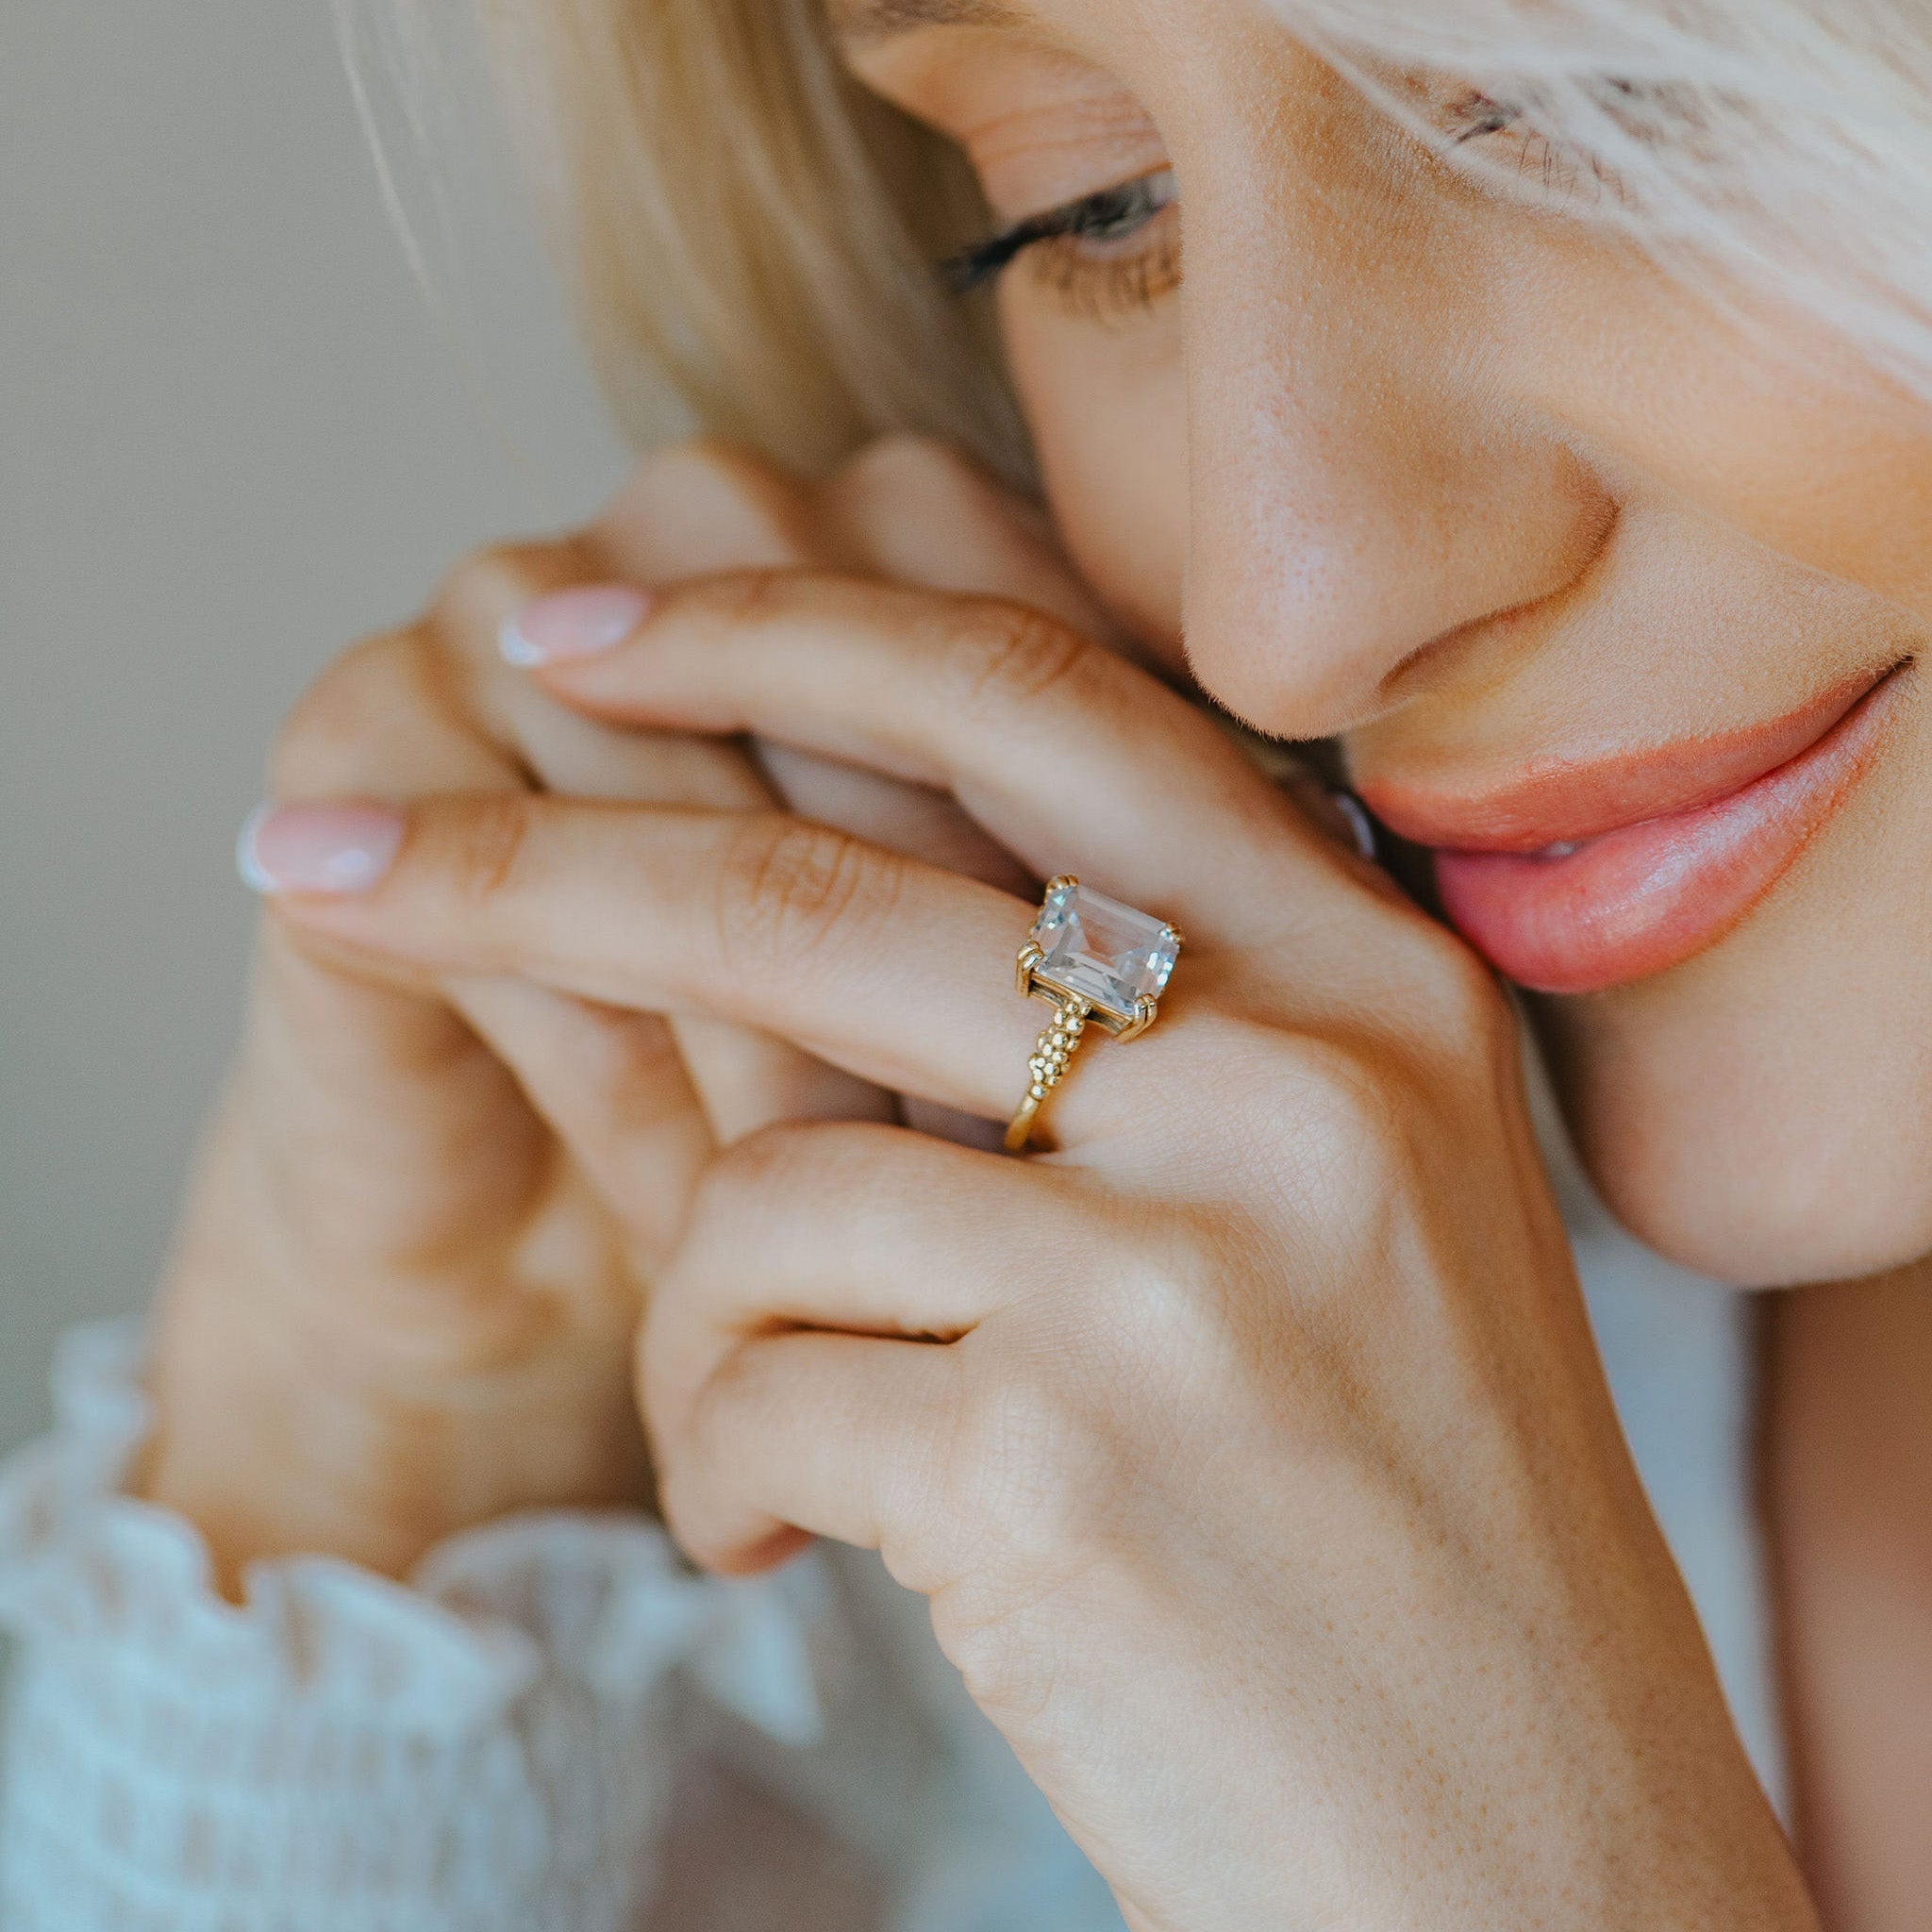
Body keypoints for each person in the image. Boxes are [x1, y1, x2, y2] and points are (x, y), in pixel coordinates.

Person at [3, 0, 1928, 1925]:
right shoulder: (1154, 1428)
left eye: (1616, 94)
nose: (1289, 612)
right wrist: (394, 1463)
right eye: (1094, 202)